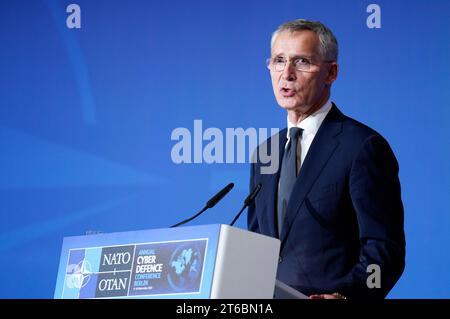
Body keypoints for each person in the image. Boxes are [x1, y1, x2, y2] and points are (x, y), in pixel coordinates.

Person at [247, 19, 405, 299]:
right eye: (279, 60)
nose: (287, 74)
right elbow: (258, 246)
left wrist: (348, 296)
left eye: (302, 61)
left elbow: (384, 249)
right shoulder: (265, 152)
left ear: (331, 72)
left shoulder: (362, 147)